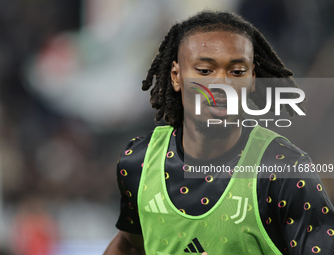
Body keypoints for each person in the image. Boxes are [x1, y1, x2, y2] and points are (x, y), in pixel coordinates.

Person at [104, 11, 334, 255]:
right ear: (176, 76)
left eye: (237, 72)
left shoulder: (284, 170)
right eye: (205, 70)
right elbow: (129, 244)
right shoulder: (139, 162)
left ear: (252, 79)